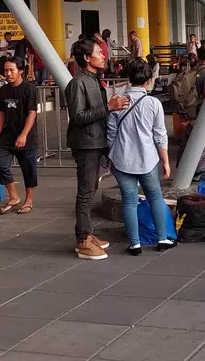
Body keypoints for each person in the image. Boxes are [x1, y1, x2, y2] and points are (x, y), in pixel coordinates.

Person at [65, 39, 130, 260]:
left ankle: (85, 234)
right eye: (98, 53)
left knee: (89, 190)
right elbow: (78, 117)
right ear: (86, 58)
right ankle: (83, 239)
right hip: (85, 145)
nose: (103, 56)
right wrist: (108, 107)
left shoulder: (94, 80)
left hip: (96, 142)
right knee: (85, 193)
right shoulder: (77, 83)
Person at [107, 59, 176, 256]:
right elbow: (160, 135)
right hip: (148, 159)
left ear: (129, 78)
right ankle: (162, 238)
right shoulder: (154, 103)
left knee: (129, 201)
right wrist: (165, 162)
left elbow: (111, 133)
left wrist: (112, 157)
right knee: (155, 197)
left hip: (122, 159)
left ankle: (135, 244)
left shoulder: (117, 101)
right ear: (148, 81)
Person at [0, 56, 39, 215]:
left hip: (26, 134)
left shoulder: (29, 88)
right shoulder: (4, 90)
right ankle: (13, 196)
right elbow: (2, 113)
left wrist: (24, 135)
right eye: (6, 70)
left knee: (28, 168)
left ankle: (29, 199)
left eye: (11, 70)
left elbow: (32, 113)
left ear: (20, 71)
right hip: (7, 134)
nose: (8, 73)